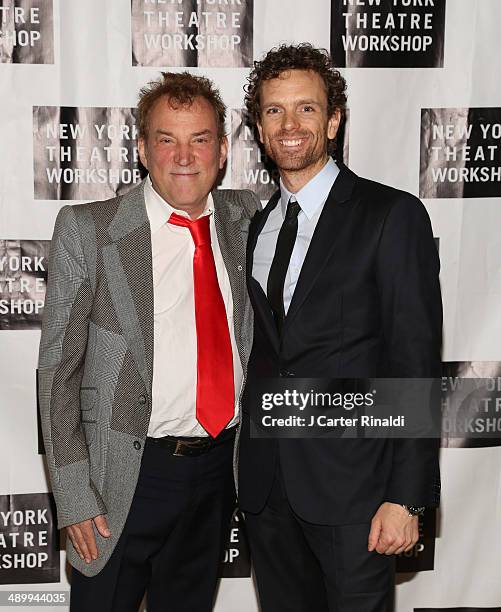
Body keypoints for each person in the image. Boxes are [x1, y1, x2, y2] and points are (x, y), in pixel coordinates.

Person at [38, 71, 260, 612]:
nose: (184, 156)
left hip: (216, 473)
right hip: (122, 481)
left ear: (223, 150)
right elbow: (57, 373)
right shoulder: (89, 229)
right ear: (142, 149)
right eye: (167, 139)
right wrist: (72, 495)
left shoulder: (247, 218)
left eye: (200, 139)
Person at [238, 43, 442, 612]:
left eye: (307, 109)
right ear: (259, 126)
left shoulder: (390, 215)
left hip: (356, 491)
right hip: (268, 490)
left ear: (333, 120)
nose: (291, 124)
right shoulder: (258, 227)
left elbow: (415, 359)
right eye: (275, 111)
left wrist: (406, 496)